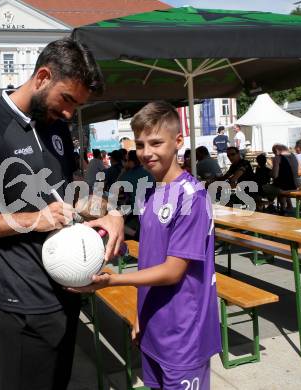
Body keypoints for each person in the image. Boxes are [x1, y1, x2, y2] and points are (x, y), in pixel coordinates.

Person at [0, 38, 124, 390]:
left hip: (66, 286)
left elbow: (71, 191)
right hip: (18, 298)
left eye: (78, 104)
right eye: (67, 99)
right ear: (42, 77)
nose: (71, 113)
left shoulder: (55, 123)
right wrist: (33, 219)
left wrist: (110, 212)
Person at [69, 101, 221, 390]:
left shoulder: (192, 197)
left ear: (178, 142)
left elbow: (173, 271)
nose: (146, 152)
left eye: (156, 143)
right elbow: (150, 258)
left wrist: (113, 280)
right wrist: (141, 315)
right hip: (154, 327)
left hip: (184, 336)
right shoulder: (153, 194)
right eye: (140, 144)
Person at [263, 143, 299, 214]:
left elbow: (274, 175)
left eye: (274, 152)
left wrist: (269, 173)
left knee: (263, 187)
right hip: (295, 186)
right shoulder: (294, 156)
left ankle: (272, 205)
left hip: (283, 188)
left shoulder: (277, 158)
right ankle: (287, 206)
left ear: (277, 150)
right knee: (281, 185)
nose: (274, 154)